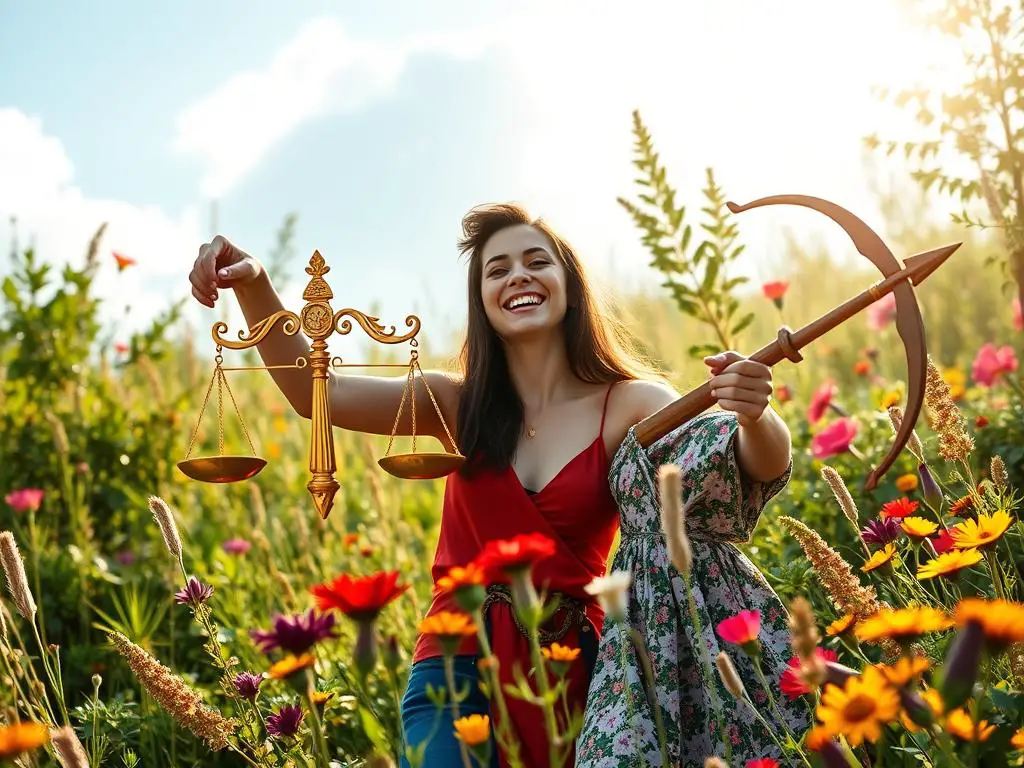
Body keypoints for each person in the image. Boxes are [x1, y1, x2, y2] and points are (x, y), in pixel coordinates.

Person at [187, 202, 794, 767]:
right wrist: (255, 285)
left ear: (570, 286)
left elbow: (746, 464)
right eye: (496, 270)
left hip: (573, 667)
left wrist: (756, 415)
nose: (518, 278)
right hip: (453, 662)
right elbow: (316, 393)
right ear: (482, 300)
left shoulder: (631, 403)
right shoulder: (456, 403)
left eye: (537, 262)